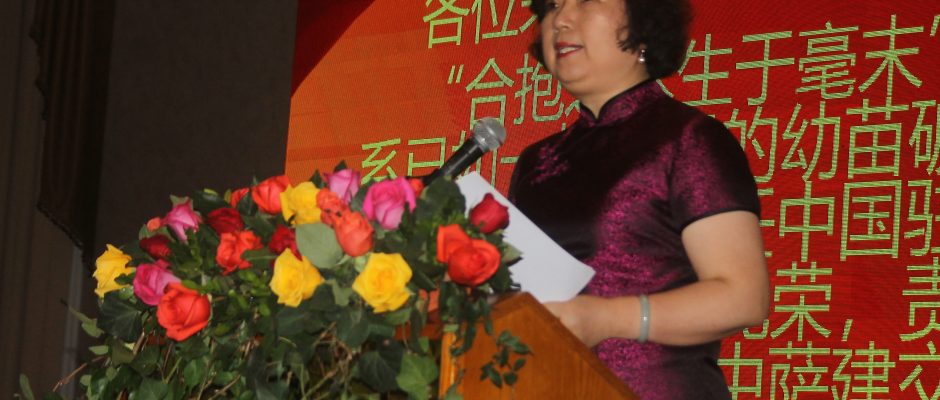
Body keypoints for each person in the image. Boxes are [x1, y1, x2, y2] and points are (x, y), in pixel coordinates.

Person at [507, 0, 770, 398]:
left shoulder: (688, 139)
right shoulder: (536, 162)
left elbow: (744, 297)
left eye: (585, 1)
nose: (560, 20)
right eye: (552, 6)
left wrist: (608, 318)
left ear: (643, 22)